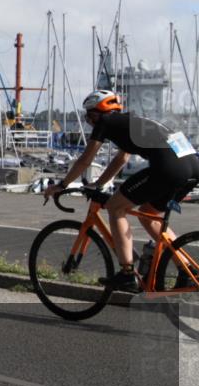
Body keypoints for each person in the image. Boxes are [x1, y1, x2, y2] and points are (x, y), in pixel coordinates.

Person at [44, 90, 199, 291]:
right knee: (149, 216)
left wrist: (61, 185)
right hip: (192, 167)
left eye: (88, 116)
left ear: (97, 112)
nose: (88, 121)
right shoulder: (130, 121)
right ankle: (187, 271)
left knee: (115, 207)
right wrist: (98, 183)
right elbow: (121, 159)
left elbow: (85, 160)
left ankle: (127, 274)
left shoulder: (105, 122)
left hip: (169, 168)